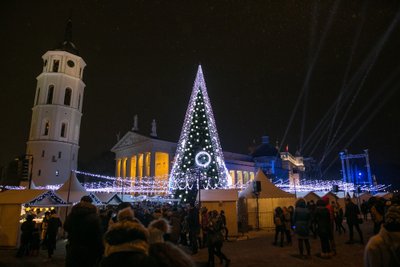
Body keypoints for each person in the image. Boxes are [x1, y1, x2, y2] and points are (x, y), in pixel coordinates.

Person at [64, 195, 104, 267]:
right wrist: (100, 250)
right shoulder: (94, 216)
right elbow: (98, 235)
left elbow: (66, 227)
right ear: (91, 203)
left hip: (74, 247)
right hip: (89, 249)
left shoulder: (73, 214)